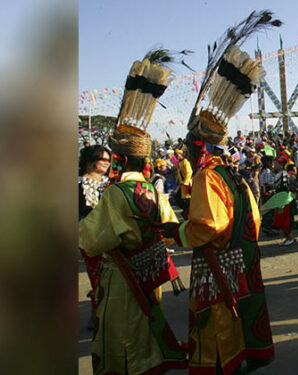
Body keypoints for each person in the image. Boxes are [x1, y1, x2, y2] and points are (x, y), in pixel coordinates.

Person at [164, 14, 281, 373]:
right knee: (242, 314)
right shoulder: (235, 174)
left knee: (217, 325)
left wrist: (177, 232)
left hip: (217, 262)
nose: (182, 152)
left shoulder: (205, 178)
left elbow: (207, 225)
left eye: (186, 146)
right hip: (242, 257)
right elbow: (255, 217)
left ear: (199, 147)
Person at [79, 51, 186, 374]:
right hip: (150, 273)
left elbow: (91, 240)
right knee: (145, 329)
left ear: (122, 161)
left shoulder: (116, 193)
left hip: (122, 277)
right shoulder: (153, 188)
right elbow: (170, 224)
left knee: (121, 338)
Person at [78, 144, 111, 329]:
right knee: (97, 277)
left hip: (110, 235)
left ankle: (103, 313)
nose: (107, 163)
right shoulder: (78, 183)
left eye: (108, 159)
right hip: (89, 236)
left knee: (110, 276)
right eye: (102, 159)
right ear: (90, 162)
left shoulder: (109, 183)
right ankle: (96, 313)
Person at [174, 148, 192, 214]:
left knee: (187, 199)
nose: (176, 156)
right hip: (181, 184)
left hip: (186, 184)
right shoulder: (179, 163)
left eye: (177, 154)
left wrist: (186, 182)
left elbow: (189, 172)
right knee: (178, 198)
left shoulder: (185, 162)